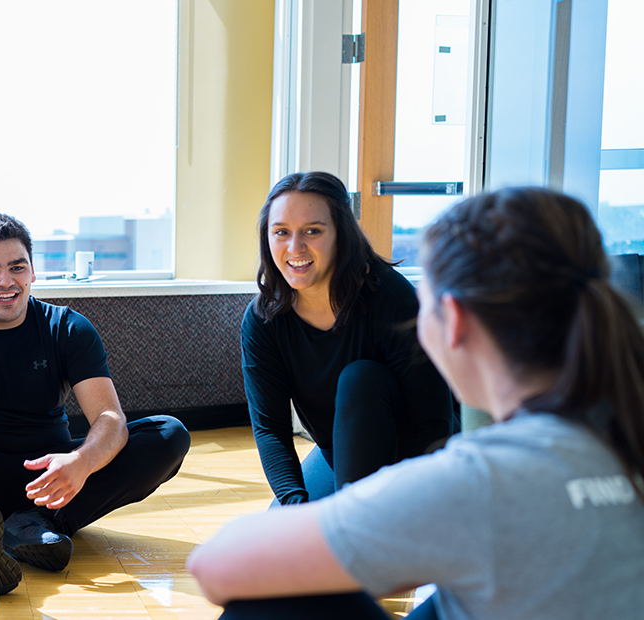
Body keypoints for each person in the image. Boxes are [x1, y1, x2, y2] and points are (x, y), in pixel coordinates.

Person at [188, 187, 644, 619]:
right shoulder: (621, 441)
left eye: (425, 307)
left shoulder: (478, 481)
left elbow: (214, 566)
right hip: (356, 462)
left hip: (411, 452)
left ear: (455, 323)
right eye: (281, 231)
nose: (295, 245)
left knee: (270, 600)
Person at [0, 212, 192, 594]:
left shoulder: (67, 327)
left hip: (51, 482)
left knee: (168, 434)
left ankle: (35, 523)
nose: (6, 281)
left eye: (17, 267)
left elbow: (109, 417)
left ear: (33, 272)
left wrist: (82, 463)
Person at [241, 171, 454, 506]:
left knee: (360, 377)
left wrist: (408, 509)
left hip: (417, 462)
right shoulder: (263, 320)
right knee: (283, 534)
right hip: (340, 458)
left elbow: (433, 422)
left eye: (313, 231)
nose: (295, 247)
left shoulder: (391, 298)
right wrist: (295, 505)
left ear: (341, 232)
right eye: (281, 232)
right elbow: (271, 429)